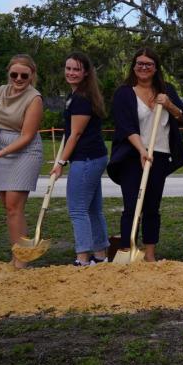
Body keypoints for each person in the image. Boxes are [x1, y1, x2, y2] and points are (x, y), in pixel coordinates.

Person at [107, 47, 183, 262]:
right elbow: (125, 127)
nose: (144, 67)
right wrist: (142, 150)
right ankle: (128, 249)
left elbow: (182, 117)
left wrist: (169, 104)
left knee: (152, 206)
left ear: (155, 68)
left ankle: (150, 254)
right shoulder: (124, 92)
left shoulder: (167, 90)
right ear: (134, 66)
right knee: (133, 206)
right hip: (133, 156)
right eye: (140, 63)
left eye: (149, 64)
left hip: (160, 155)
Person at [0, 54, 45, 268]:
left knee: (14, 205)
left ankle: (21, 260)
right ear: (9, 73)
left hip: (25, 151)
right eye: (14, 74)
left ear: (32, 76)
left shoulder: (34, 99)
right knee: (9, 208)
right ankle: (17, 253)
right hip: (1, 148)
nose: (18, 79)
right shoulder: (1, 90)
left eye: (24, 75)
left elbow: (27, 136)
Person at [50, 52, 110, 266]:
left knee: (77, 209)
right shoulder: (75, 96)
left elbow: (75, 134)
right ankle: (101, 256)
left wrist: (60, 163)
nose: (71, 73)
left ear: (85, 72)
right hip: (93, 157)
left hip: (87, 159)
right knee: (93, 209)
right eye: (68, 68)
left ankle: (83, 258)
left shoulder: (81, 99)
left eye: (76, 69)